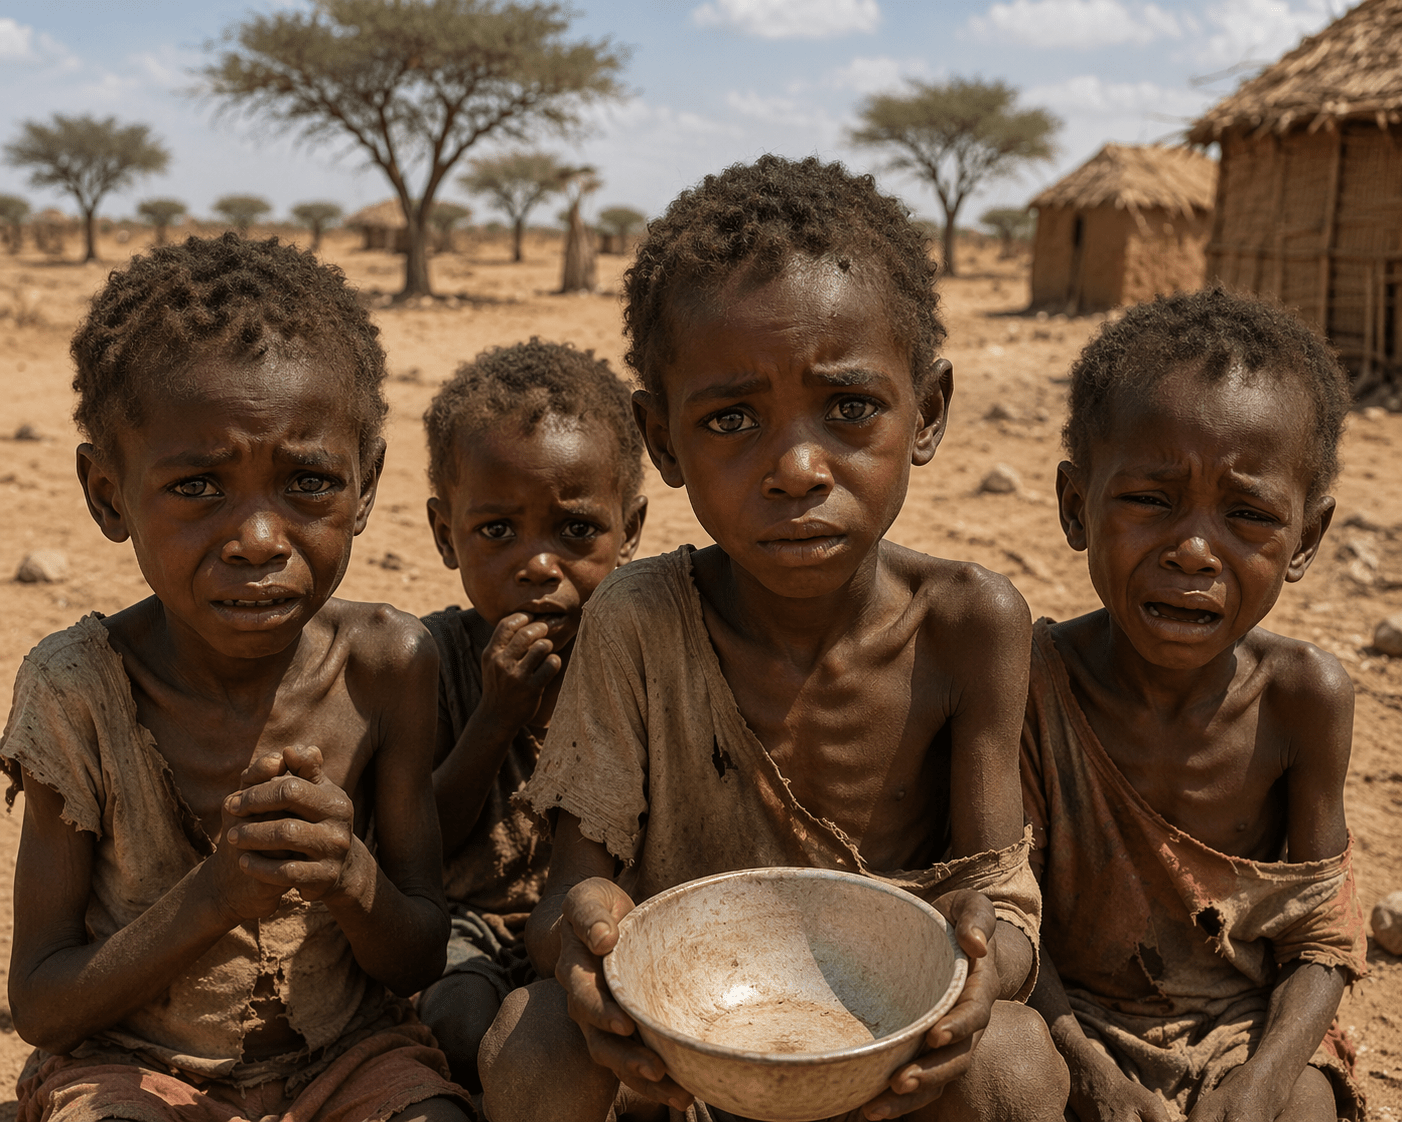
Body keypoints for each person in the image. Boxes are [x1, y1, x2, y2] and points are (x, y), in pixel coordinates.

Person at [478, 154, 1068, 1122]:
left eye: (849, 408)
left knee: (1013, 1066)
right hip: (683, 1057)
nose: (796, 467)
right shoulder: (636, 621)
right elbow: (568, 899)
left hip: (891, 1061)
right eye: (731, 419)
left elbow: (1003, 909)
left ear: (926, 412)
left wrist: (981, 963)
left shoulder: (970, 624)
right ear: (661, 441)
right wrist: (583, 945)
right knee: (531, 1042)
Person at [1, 234, 470, 1122]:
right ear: (107, 492)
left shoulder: (386, 666)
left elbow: (415, 957)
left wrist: (350, 876)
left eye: (308, 481)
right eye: (198, 487)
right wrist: (216, 896)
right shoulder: (78, 690)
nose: (258, 539)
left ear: (367, 485)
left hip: (346, 1060)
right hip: (133, 1067)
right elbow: (43, 1005)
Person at [1021, 288, 1369, 1122]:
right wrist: (1091, 1076)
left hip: (1239, 1030)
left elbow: (1322, 939)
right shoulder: (1032, 682)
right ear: (1076, 505)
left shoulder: (1303, 701)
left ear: (1306, 540)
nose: (1193, 551)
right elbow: (1007, 918)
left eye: (1248, 514)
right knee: (1000, 1076)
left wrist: (1263, 1080)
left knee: (1303, 1110)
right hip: (1066, 1022)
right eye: (1151, 499)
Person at [414, 339, 648, 1091]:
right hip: (470, 922)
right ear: (445, 534)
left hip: (604, 918)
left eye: (575, 530)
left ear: (629, 530)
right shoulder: (430, 660)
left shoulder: (641, 662)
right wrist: (494, 717)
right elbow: (418, 845)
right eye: (497, 531)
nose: (539, 564)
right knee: (458, 1019)